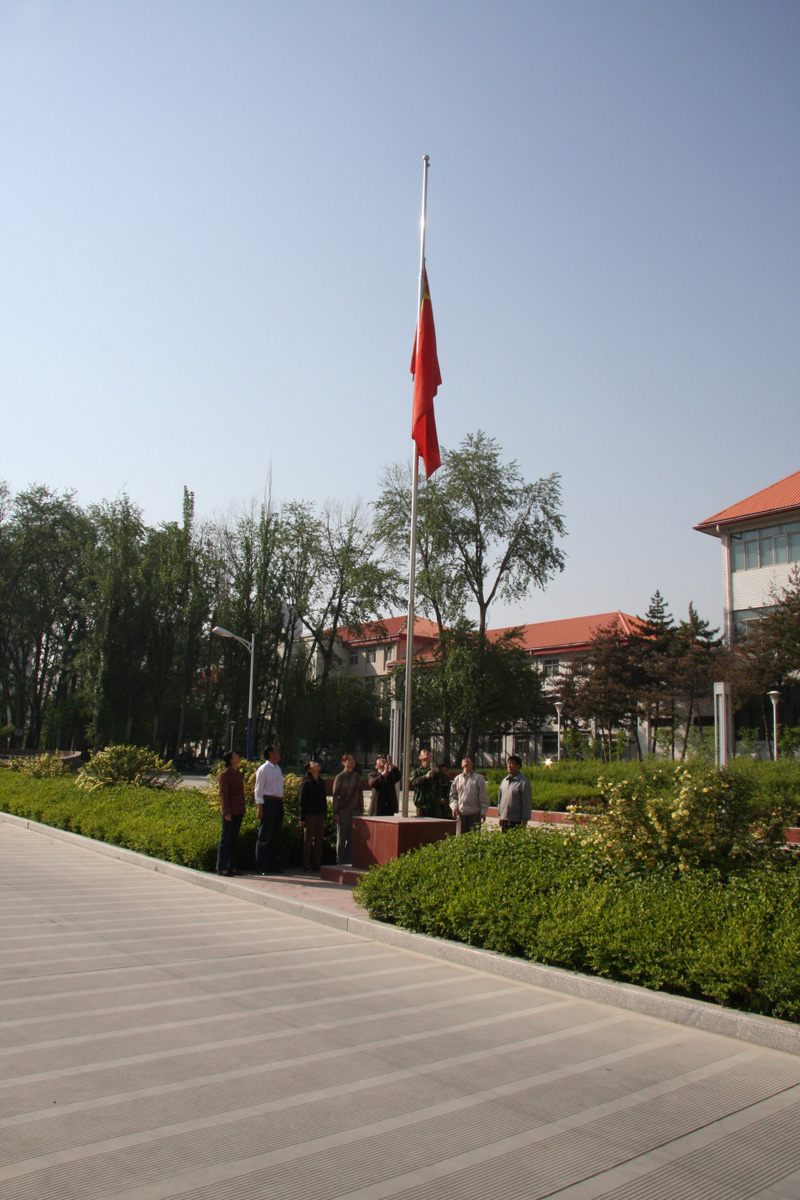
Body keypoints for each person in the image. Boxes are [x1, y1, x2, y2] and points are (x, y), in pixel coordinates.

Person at [254, 744, 284, 875]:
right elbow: (258, 790)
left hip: (278, 802)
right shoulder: (263, 769)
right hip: (268, 802)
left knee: (275, 836)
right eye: (276, 751)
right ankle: (261, 866)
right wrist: (260, 807)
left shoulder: (278, 769)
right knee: (264, 836)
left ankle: (272, 864)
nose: (278, 753)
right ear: (270, 753)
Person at [216, 750, 246, 876]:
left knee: (233, 839)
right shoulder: (225, 775)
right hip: (230, 811)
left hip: (238, 810)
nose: (238, 757)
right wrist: (226, 811)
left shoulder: (238, 773)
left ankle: (231, 865)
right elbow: (223, 794)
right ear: (231, 760)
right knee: (226, 839)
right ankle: (221, 866)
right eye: (236, 756)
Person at [332, 752, 363, 865]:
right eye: (348, 759)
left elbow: (360, 794)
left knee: (352, 837)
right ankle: (340, 860)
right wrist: (335, 812)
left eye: (353, 759)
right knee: (342, 836)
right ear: (343, 762)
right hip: (343, 810)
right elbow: (335, 795)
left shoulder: (357, 777)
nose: (351, 761)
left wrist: (361, 811)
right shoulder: (340, 777)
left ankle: (349, 860)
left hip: (355, 810)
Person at [298, 760, 327, 872]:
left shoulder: (321, 782)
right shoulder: (306, 782)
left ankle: (317, 864)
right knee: (308, 840)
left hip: (320, 814)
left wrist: (325, 813)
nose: (317, 764)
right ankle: (307, 864)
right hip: (310, 815)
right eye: (313, 764)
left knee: (319, 840)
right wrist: (302, 818)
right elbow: (302, 801)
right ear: (309, 769)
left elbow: (323, 799)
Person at [449, 756, 489, 834]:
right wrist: (454, 808)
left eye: (468, 759)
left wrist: (483, 812)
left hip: (474, 814)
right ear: (461, 765)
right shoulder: (457, 779)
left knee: (473, 837)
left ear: (472, 764)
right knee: (461, 837)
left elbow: (483, 796)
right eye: (464, 759)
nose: (466, 760)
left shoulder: (478, 778)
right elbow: (453, 796)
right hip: (461, 814)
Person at [410, 748, 450, 818]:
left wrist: (438, 772)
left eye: (428, 751)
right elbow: (414, 782)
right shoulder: (417, 771)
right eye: (424, 751)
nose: (426, 752)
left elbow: (446, 780)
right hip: (422, 804)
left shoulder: (436, 769)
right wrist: (425, 777)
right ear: (420, 757)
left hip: (435, 804)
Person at [497, 754, 532, 831]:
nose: (509, 766)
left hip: (517, 820)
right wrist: (500, 816)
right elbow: (500, 800)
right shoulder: (504, 781)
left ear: (518, 766)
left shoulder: (523, 782)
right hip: (504, 819)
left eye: (512, 764)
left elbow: (527, 803)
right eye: (508, 764)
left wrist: (524, 820)